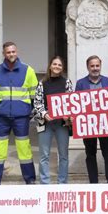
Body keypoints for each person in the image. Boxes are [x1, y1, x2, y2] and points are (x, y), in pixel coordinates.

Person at [0, 42, 39, 185]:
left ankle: (30, 180)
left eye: (13, 51)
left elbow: (35, 95)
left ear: (17, 52)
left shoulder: (28, 71)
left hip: (21, 117)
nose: (11, 54)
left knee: (24, 148)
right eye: (8, 52)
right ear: (4, 54)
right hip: (2, 117)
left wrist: (30, 112)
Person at [75, 55, 108, 183]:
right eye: (92, 66)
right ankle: (93, 182)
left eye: (97, 65)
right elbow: (76, 104)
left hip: (105, 125)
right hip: (88, 125)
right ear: (88, 67)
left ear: (100, 66)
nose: (95, 68)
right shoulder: (80, 83)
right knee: (90, 154)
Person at [34, 56, 73, 184]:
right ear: (50, 66)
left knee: (63, 155)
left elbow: (71, 102)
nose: (57, 67)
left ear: (62, 68)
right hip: (45, 123)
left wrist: (67, 115)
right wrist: (44, 114)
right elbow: (37, 103)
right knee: (44, 155)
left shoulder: (67, 82)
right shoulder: (42, 83)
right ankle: (45, 183)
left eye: (59, 65)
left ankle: (62, 182)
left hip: (62, 124)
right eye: (54, 64)